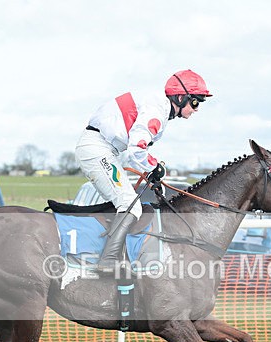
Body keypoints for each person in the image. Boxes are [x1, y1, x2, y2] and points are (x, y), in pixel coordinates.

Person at [75, 69, 212, 273]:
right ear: (181, 97)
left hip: (105, 149)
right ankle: (108, 260)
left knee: (125, 202)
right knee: (130, 205)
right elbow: (137, 148)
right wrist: (154, 166)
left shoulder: (158, 106)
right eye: (195, 102)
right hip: (98, 149)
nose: (196, 109)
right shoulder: (157, 110)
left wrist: (150, 170)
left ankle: (108, 253)